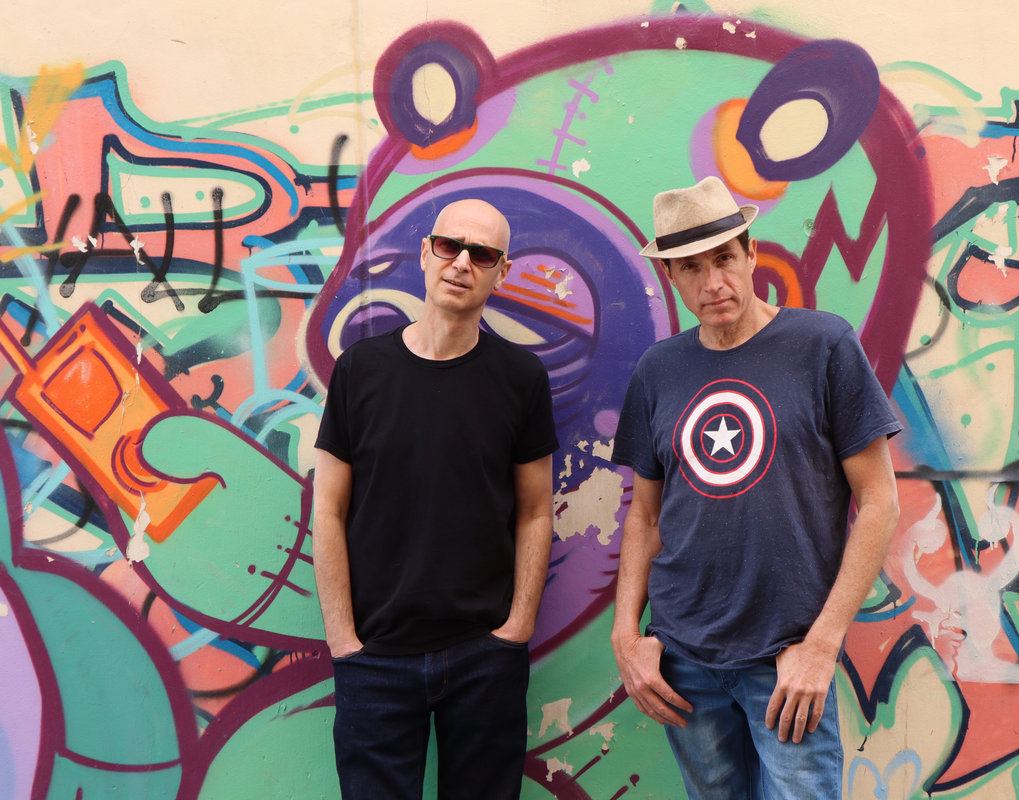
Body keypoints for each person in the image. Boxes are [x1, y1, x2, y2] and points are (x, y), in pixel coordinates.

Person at [610, 176, 901, 799]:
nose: (713, 282)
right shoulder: (659, 370)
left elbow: (880, 504)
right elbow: (645, 517)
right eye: (692, 268)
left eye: (723, 259)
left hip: (787, 659)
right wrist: (626, 635)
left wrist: (822, 645)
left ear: (751, 253)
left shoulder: (823, 346)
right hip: (683, 660)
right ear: (671, 277)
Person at [312, 197, 558, 799]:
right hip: (375, 659)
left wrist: (517, 628)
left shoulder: (521, 379)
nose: (462, 263)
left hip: (484, 659)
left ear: (502, 272)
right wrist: (344, 640)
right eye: (450, 246)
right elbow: (329, 509)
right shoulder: (360, 370)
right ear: (426, 253)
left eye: (483, 254)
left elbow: (535, 509)